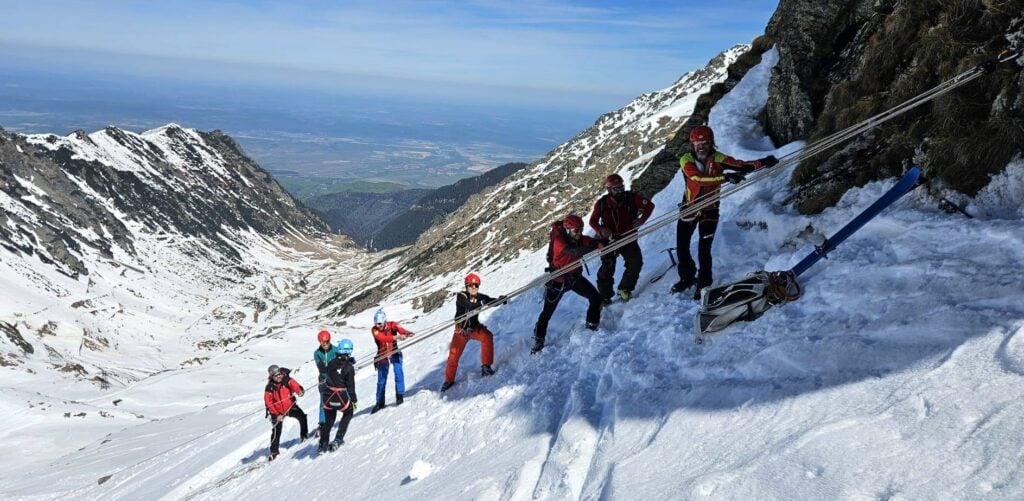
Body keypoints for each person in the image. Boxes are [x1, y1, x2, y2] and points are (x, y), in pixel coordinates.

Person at [672, 125, 778, 299]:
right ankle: (687, 277)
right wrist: (725, 177)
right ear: (692, 144)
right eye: (697, 143)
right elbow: (697, 179)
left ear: (711, 143)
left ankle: (704, 285)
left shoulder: (718, 158)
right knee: (682, 246)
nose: (701, 146)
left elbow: (741, 166)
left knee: (704, 249)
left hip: (710, 210)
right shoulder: (686, 159)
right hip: (689, 209)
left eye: (705, 143)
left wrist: (763, 162)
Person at [532, 214, 605, 354]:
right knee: (547, 313)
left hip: (574, 278)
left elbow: (589, 241)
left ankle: (592, 325)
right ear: (567, 230)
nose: (578, 234)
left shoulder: (579, 239)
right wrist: (596, 247)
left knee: (595, 298)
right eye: (575, 231)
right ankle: (538, 339)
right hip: (558, 281)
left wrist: (600, 242)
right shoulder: (559, 241)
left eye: (580, 230)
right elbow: (575, 251)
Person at [589, 173, 655, 303]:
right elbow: (593, 221)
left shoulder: (631, 198)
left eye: (621, 187)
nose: (620, 191)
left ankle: (625, 288)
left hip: (628, 236)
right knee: (607, 267)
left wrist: (642, 220)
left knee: (635, 262)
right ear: (609, 189)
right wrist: (601, 230)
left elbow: (649, 206)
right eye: (616, 189)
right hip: (609, 239)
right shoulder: (602, 203)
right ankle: (604, 296)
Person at [441, 273, 507, 392]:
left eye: (476, 285)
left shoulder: (480, 297)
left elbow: (489, 301)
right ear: (466, 286)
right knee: (453, 356)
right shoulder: (461, 296)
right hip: (461, 332)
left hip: (474, 329)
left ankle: (486, 366)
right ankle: (449, 380)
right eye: (471, 285)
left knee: (487, 336)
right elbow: (469, 305)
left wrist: (499, 300)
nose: (473, 287)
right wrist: (482, 302)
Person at [319, 338, 358, 454]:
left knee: (329, 421)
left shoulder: (331, 363)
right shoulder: (349, 368)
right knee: (348, 413)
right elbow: (350, 387)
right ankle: (338, 439)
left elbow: (337, 366)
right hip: (340, 397)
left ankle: (323, 444)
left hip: (327, 396)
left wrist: (348, 361)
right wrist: (354, 401)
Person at [370, 309, 413, 413]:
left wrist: (406, 333)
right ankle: (380, 402)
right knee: (381, 380)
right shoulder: (374, 330)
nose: (378, 326)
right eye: (376, 324)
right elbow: (382, 338)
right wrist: (397, 337)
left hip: (394, 352)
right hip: (382, 355)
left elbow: (400, 328)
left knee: (398, 373)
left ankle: (399, 396)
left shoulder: (392, 324)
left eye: (380, 323)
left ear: (384, 321)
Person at [263, 364, 308, 461]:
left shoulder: (286, 380)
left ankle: (304, 435)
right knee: (276, 431)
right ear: (272, 377)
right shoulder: (269, 387)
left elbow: (295, 386)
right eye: (276, 376)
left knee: (302, 417)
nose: (278, 377)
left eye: (279, 374)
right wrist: (276, 414)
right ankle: (274, 451)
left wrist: (300, 391)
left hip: (290, 407)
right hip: (277, 412)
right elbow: (268, 402)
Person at [313, 330, 342, 429]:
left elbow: (343, 359)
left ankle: (346, 414)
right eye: (323, 342)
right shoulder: (317, 353)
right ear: (320, 342)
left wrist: (347, 361)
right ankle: (322, 423)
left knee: (341, 396)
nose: (325, 344)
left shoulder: (336, 350)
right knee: (323, 400)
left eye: (327, 341)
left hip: (335, 378)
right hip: (323, 379)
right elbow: (321, 367)